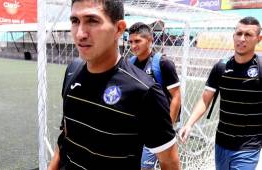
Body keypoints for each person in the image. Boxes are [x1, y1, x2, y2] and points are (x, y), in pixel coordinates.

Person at [48, 0, 181, 170]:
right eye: (75, 21)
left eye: (92, 21)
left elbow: (170, 162)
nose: (80, 33)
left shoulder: (145, 91)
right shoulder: (72, 71)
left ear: (119, 29)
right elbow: (66, 136)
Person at [179, 16, 262, 170]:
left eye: (248, 34)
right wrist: (189, 124)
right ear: (233, 35)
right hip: (222, 142)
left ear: (259, 38)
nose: (242, 39)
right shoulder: (221, 67)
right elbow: (205, 100)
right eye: (239, 33)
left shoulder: (260, 68)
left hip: (248, 146)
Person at [128, 22, 181, 170]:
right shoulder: (130, 64)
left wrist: (167, 127)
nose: (133, 46)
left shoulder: (163, 64)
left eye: (137, 41)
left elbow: (176, 96)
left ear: (150, 40)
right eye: (130, 42)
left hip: (158, 127)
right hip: (139, 127)